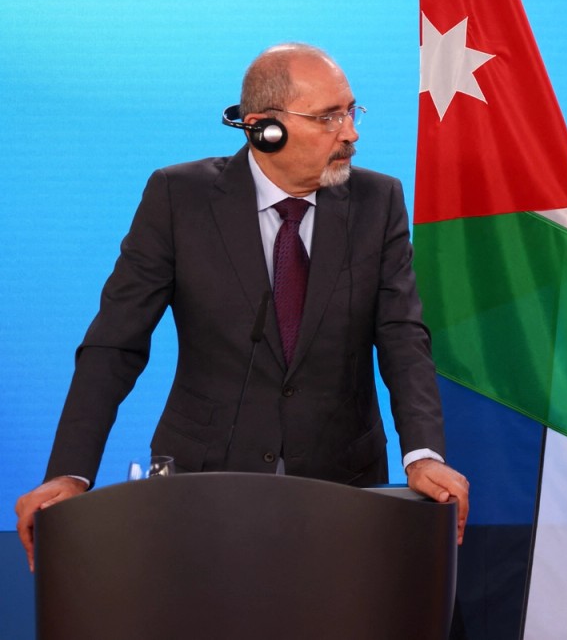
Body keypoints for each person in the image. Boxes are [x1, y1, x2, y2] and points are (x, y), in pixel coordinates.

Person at [14, 44, 468, 568]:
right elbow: (114, 345)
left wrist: (423, 455)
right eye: (327, 117)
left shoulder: (378, 202)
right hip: (206, 485)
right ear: (262, 129)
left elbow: (403, 339)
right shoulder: (177, 198)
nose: (350, 133)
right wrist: (70, 472)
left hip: (342, 485)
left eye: (350, 111)